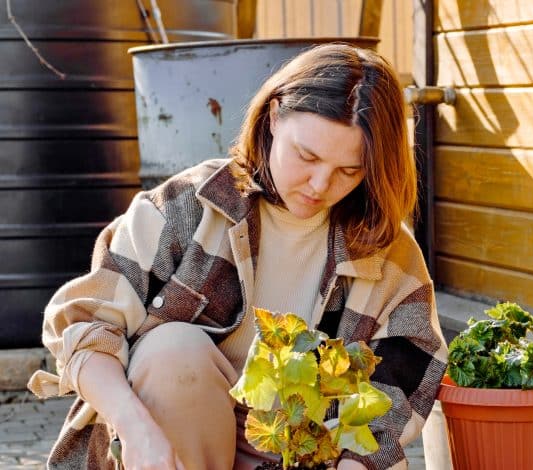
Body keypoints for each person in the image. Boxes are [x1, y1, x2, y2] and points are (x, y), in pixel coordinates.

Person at [28, 43, 448, 470]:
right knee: (172, 350)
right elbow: (84, 323)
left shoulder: (389, 254)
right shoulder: (187, 206)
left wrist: (360, 462)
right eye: (307, 155)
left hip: (302, 452)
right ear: (272, 119)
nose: (320, 185)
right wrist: (136, 429)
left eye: (349, 171)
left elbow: (405, 377)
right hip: (172, 447)